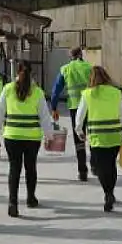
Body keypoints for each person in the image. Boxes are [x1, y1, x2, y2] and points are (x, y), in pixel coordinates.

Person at [0, 60, 55, 218]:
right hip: (32, 137)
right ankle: (31, 198)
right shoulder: (37, 92)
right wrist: (49, 135)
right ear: (31, 73)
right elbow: (45, 117)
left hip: (12, 136)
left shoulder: (8, 89)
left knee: (14, 169)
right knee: (30, 167)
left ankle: (13, 202)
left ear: (17, 72)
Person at [74, 65, 122, 212]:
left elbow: (80, 116)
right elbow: (121, 115)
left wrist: (79, 130)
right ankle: (110, 193)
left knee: (100, 167)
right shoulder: (116, 93)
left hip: (97, 137)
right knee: (111, 165)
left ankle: (107, 192)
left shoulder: (87, 94)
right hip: (114, 136)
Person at [49, 47, 93, 181]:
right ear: (81, 55)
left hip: (75, 107)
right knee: (93, 135)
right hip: (91, 106)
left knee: (79, 138)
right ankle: (96, 165)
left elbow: (56, 90)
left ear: (71, 56)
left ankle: (82, 170)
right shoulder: (89, 67)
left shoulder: (65, 69)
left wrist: (54, 108)